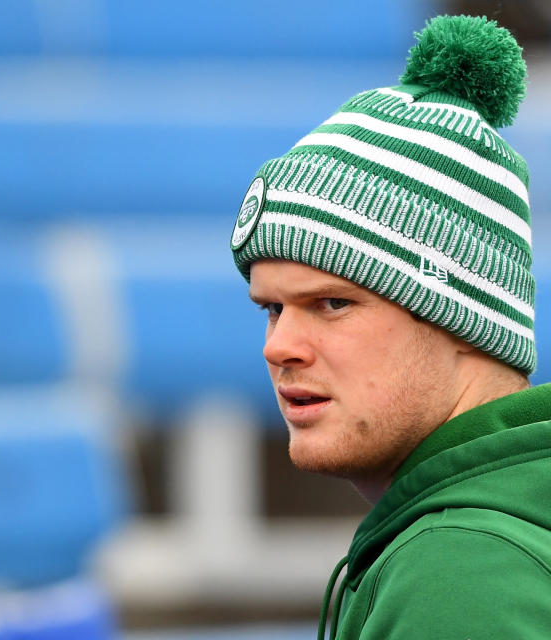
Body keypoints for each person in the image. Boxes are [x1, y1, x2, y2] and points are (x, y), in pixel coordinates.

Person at [229, 15, 551, 639]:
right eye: (272, 308)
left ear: (463, 317)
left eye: (332, 304)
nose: (279, 347)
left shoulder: (461, 573)